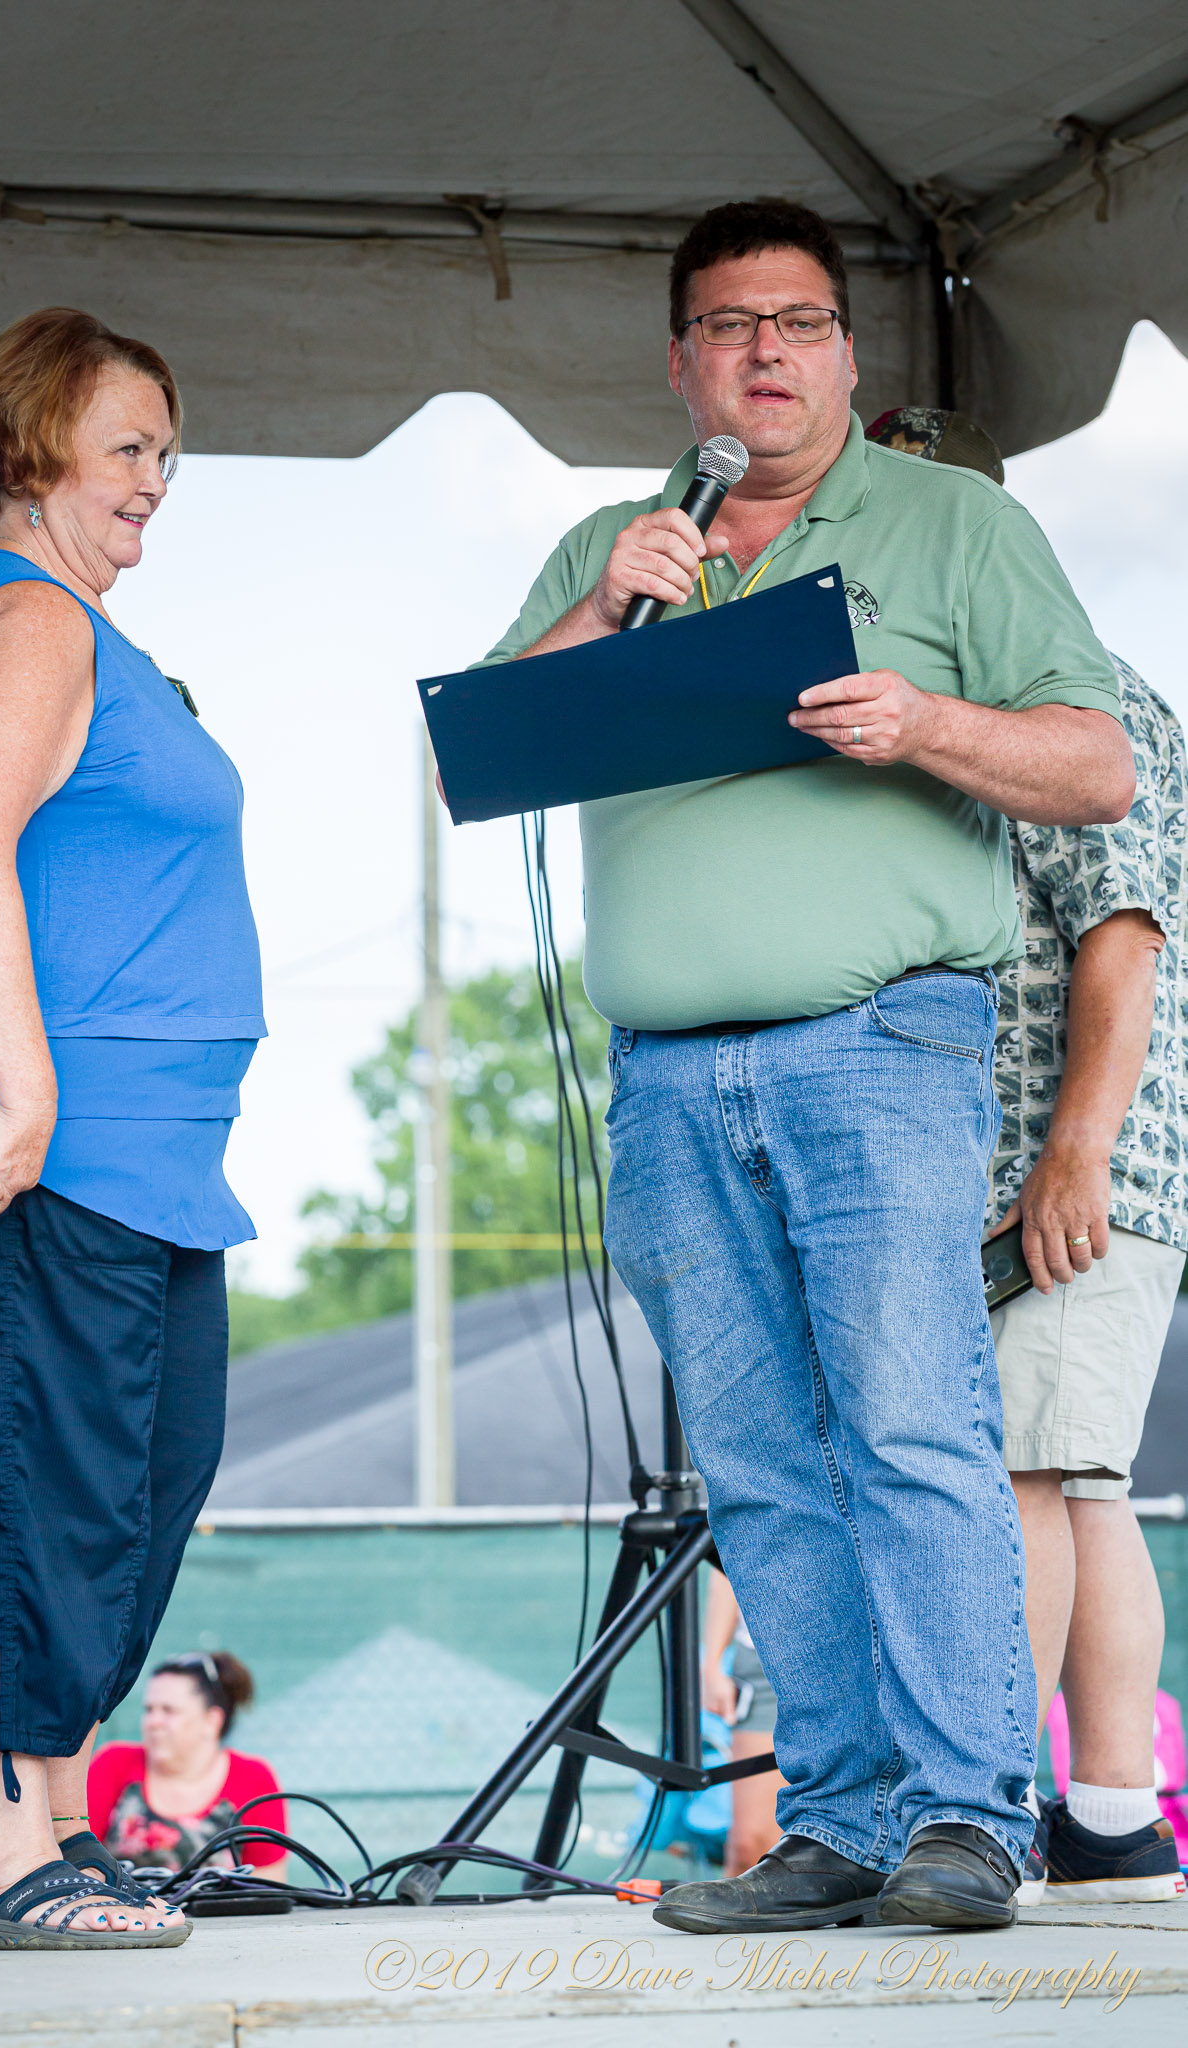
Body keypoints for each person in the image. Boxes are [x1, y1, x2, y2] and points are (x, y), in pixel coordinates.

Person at [476, 197, 1135, 1936]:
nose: (763, 351)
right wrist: (601, 609)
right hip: (670, 1076)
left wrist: (925, 723)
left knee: (912, 1425)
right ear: (679, 363)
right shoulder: (617, 542)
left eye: (797, 322)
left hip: (881, 1045)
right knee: (761, 1461)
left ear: (847, 353)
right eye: (728, 324)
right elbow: (490, 753)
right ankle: (836, 1817)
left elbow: (1097, 769)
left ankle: (969, 1815)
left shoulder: (957, 523)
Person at [0, 306, 266, 1950]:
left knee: (148, 1463)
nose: (157, 478)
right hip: (66, 1139)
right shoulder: (28, 612)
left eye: (169, 450)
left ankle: (50, 1820)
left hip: (145, 1149)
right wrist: (10, 1086)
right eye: (129, 446)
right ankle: (3, 1858)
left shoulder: (61, 626)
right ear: (35, 448)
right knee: (49, 1468)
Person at [867, 406, 1188, 1905]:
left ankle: (993, 1813)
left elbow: (1123, 934)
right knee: (1083, 1478)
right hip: (1052, 1169)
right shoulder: (1004, 688)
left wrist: (1073, 1155)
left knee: (1026, 1476)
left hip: (1073, 1168)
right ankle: (1111, 1819)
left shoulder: (1057, 694)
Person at [89, 1652, 287, 1875]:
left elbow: (268, 1883)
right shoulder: (112, 1764)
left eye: (169, 1710)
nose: (153, 1722)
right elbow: (78, 1859)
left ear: (212, 1720)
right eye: (149, 1710)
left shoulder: (254, 1780)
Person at [701, 1571, 783, 1875]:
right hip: (763, 1656)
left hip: (864, 1652)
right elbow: (724, 1564)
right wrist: (712, 1664)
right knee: (750, 1847)